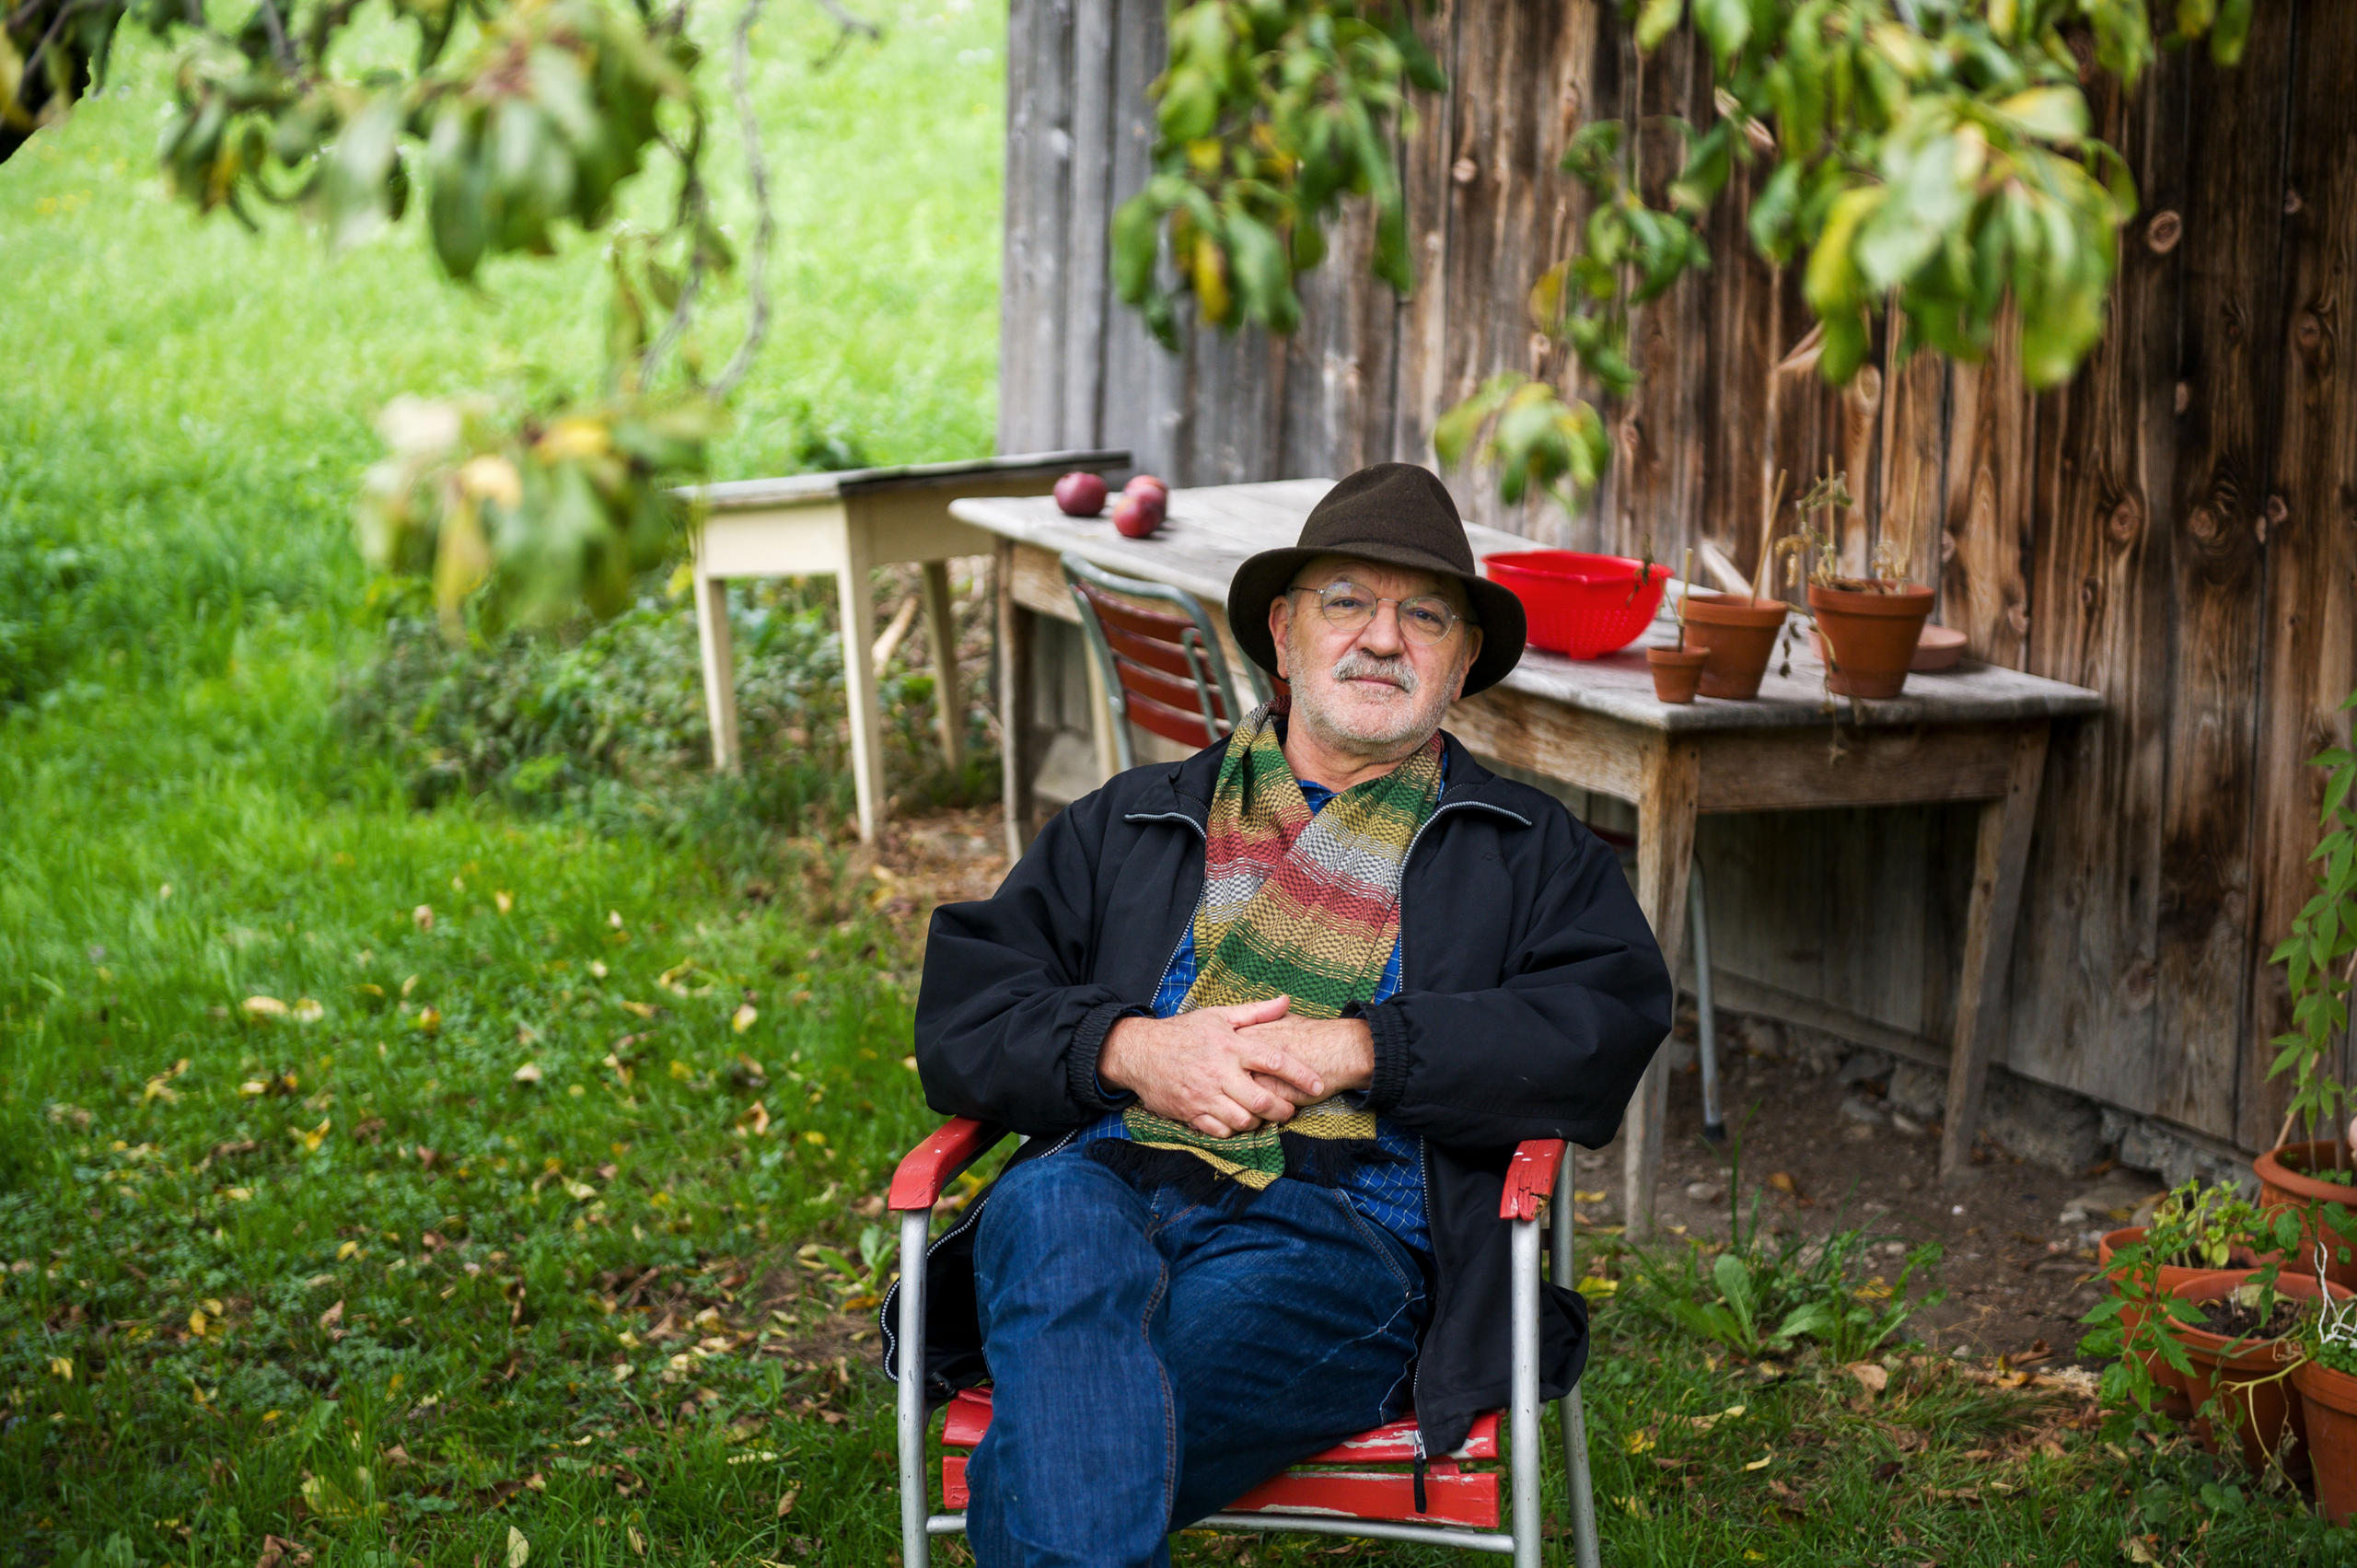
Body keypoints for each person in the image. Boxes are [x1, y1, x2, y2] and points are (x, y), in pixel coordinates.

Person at [884, 462, 1671, 1566]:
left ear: (1459, 662)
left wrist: (1365, 1043)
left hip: (1338, 1236)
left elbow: (1598, 1024)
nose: (1383, 637)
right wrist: (1128, 1046)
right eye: (1347, 600)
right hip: (1097, 1186)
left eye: (1425, 615)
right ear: (1283, 630)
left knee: (1075, 1429)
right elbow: (968, 1006)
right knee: (1052, 1217)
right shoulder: (1136, 818)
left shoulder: (1523, 847)